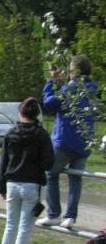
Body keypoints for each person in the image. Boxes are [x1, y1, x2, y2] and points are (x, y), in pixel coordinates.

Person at [0, 97, 54, 244]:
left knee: (10, 226)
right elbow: (48, 162)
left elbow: (3, 162)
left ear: (20, 112)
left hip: (11, 183)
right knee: (24, 230)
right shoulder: (41, 134)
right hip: (31, 185)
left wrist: (1, 186)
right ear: (37, 114)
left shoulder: (10, 133)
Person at [39, 54, 99, 228]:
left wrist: (51, 81)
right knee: (75, 179)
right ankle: (70, 217)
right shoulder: (92, 89)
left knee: (51, 174)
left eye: (70, 69)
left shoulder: (70, 89)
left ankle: (54, 214)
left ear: (76, 71)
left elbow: (48, 103)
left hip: (64, 141)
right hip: (84, 142)